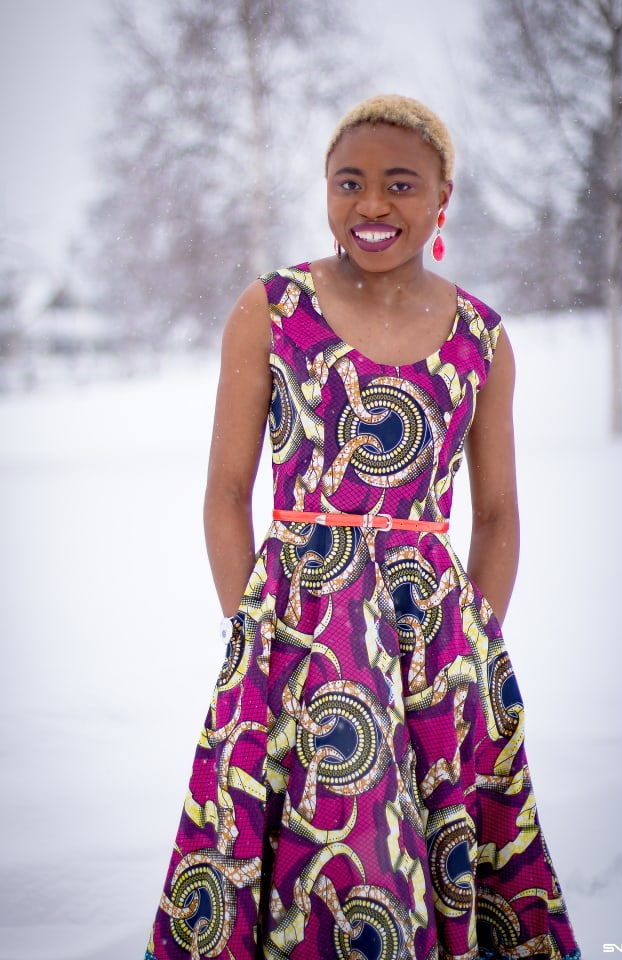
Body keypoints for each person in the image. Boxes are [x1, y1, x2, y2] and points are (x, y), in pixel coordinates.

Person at [145, 94, 581, 960]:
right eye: (350, 183)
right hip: (296, 637)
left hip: (434, 651)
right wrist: (257, 631)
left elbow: (495, 514)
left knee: (420, 853)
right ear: (326, 191)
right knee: (326, 857)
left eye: (399, 184)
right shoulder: (271, 310)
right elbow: (226, 492)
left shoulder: (481, 337)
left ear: (443, 197)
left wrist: (470, 646)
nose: (372, 205)